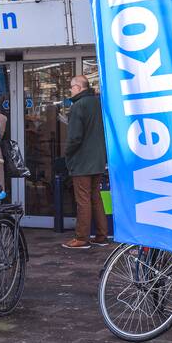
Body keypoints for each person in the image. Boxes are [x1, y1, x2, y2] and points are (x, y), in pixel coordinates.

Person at [63, 76, 108, 250]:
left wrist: (67, 153)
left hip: (82, 161)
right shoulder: (97, 103)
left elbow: (75, 137)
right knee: (95, 198)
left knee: (82, 200)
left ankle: (81, 238)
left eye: (72, 87)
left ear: (79, 87)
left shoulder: (78, 106)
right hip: (97, 160)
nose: (70, 90)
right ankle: (101, 235)